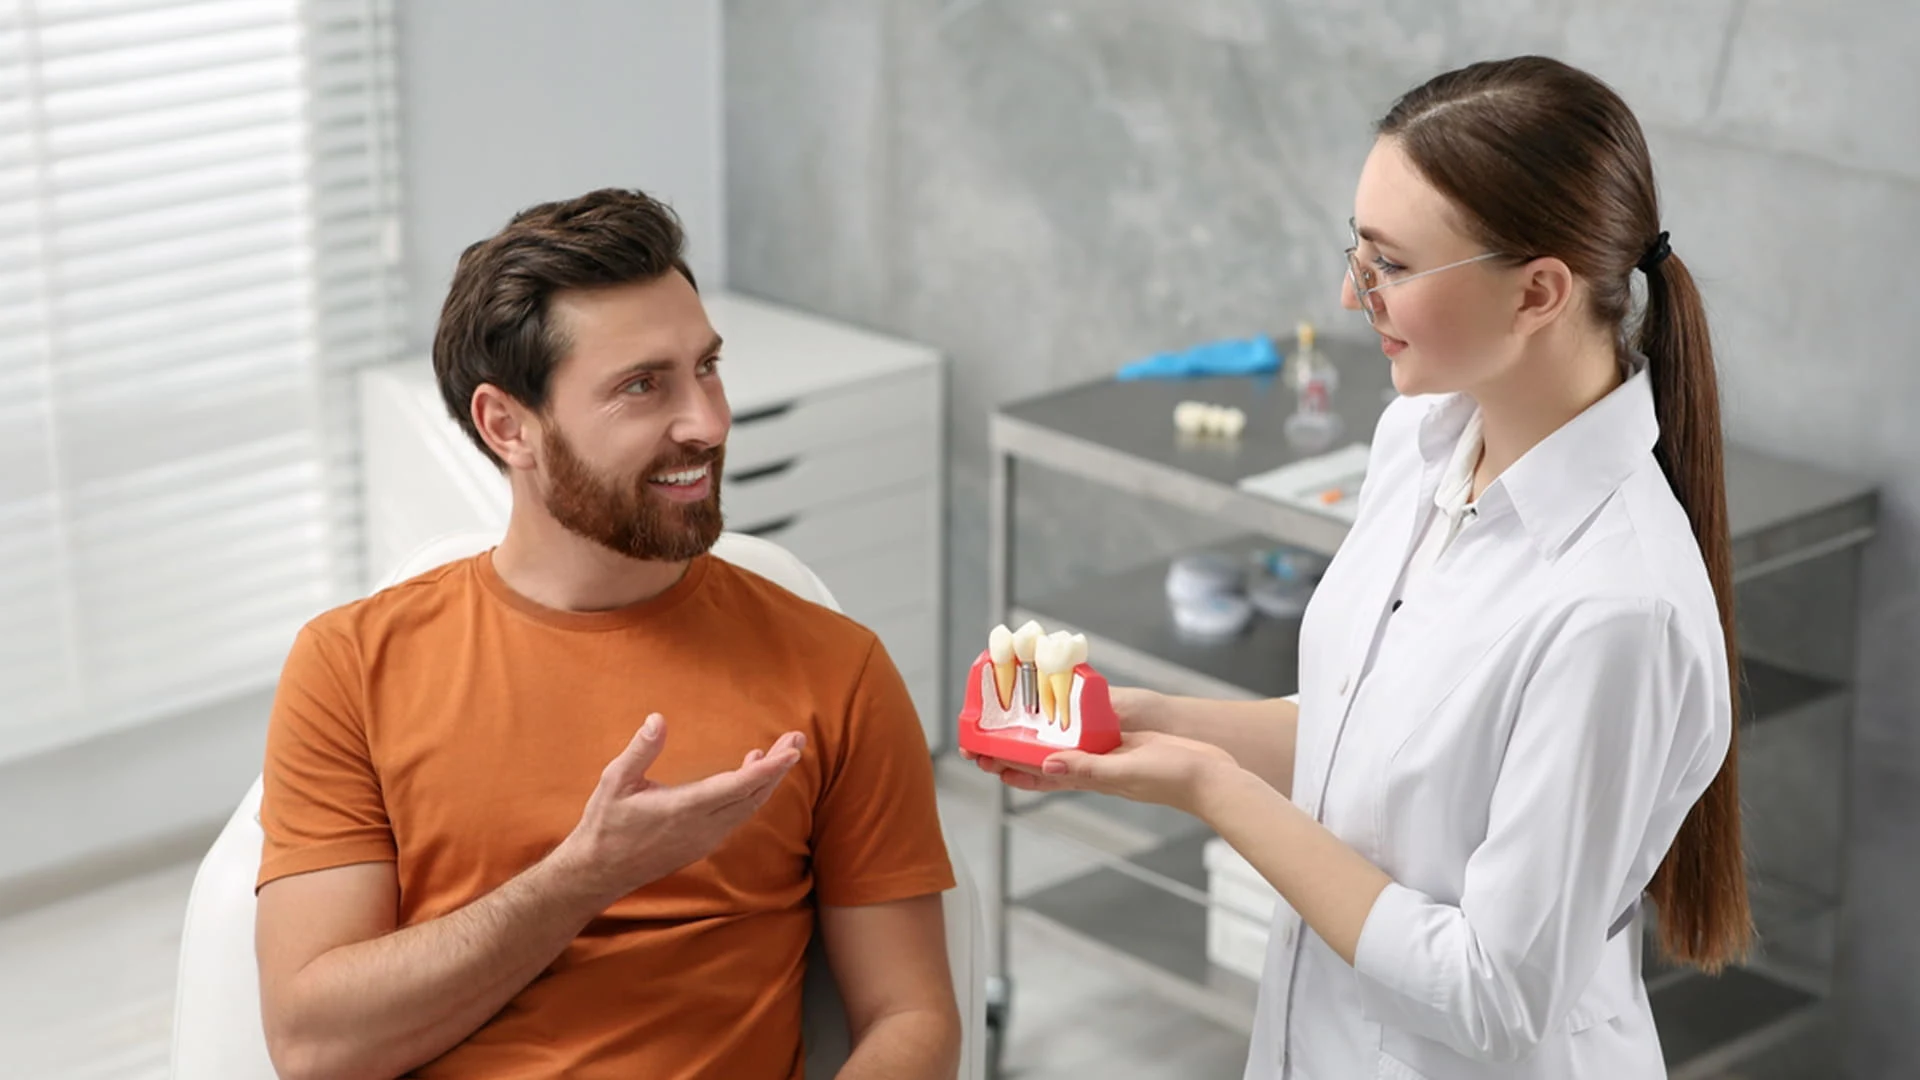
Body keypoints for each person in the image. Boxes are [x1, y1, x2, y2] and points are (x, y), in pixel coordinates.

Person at [970, 56, 1748, 1079]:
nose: (1350, 292)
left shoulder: (1618, 610)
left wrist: (1213, 791)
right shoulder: (1422, 439)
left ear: (1538, 292)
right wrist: (1144, 720)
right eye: (1356, 250)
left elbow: (1497, 999)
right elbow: (1372, 746)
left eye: (1388, 263)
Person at [255, 188, 961, 1080]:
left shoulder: (837, 669)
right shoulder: (351, 666)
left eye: (706, 367)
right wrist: (581, 878)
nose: (708, 422)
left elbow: (913, 1016)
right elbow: (316, 1049)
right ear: (507, 425)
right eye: (642, 386)